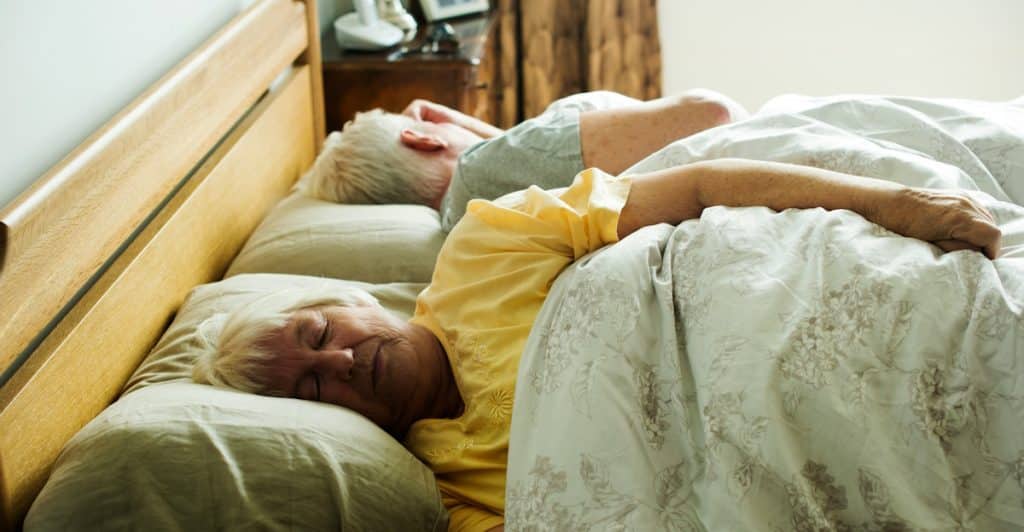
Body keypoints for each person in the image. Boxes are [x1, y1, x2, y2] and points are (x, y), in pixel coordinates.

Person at [193, 94, 1003, 531]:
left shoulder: (480, 249)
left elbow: (696, 185)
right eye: (309, 392)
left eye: (319, 335)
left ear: (353, 299)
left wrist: (901, 206)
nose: (336, 365)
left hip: (776, 299)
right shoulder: (448, 488)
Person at [298, 90, 749, 232]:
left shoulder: (461, 221)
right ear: (419, 139)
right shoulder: (482, 170)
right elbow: (713, 115)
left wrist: (461, 127)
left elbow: (553, 166)